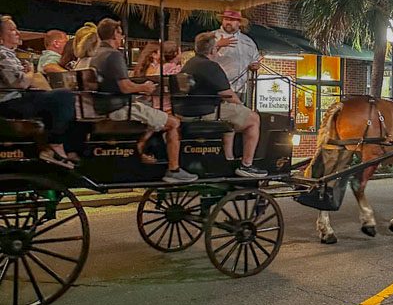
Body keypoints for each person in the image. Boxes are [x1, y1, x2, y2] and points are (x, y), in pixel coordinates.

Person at [91, 18, 197, 184]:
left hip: (102, 105)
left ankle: (140, 152)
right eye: (120, 34)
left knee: (155, 117)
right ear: (114, 34)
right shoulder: (113, 55)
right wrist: (145, 87)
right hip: (119, 107)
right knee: (174, 122)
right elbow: (125, 86)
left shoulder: (96, 54)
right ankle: (174, 169)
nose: (122, 37)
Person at [181, 31, 267, 178]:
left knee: (230, 119)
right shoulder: (211, 66)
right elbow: (228, 94)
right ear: (213, 50)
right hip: (204, 112)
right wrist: (242, 106)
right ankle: (247, 164)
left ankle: (228, 160)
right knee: (253, 118)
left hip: (188, 111)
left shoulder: (190, 63)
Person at [0, 15, 77, 168]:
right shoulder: (2, 53)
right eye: (12, 30)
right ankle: (55, 147)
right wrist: (30, 72)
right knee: (64, 96)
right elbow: (20, 82)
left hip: (17, 98)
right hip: (9, 102)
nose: (17, 33)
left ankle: (50, 147)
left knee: (57, 98)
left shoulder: (9, 54)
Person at [213, 10, 261, 99]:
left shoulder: (248, 41)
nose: (228, 22)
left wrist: (255, 66)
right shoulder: (212, 36)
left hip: (242, 88)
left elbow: (255, 60)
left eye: (232, 20)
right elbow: (202, 57)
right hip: (219, 88)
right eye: (226, 19)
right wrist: (217, 45)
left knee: (240, 112)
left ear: (239, 23)